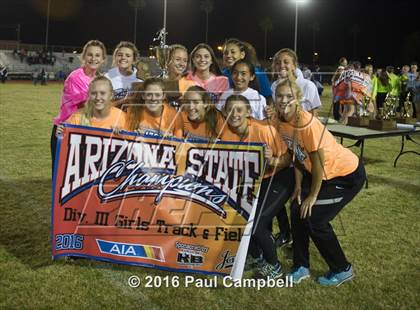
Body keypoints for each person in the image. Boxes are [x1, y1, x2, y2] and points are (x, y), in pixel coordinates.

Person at [273, 79, 366, 286]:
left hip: (345, 175)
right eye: (280, 96)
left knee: (314, 217)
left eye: (289, 96)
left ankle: (342, 268)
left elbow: (318, 166)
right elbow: (296, 154)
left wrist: (312, 196)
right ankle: (301, 266)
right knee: (297, 208)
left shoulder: (308, 124)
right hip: (316, 174)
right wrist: (298, 188)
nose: (284, 100)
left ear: (298, 99)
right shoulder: (279, 120)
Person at [220, 94, 292, 279]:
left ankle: (274, 266)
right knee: (238, 216)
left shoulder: (264, 130)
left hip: (279, 177)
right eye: (229, 110)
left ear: (249, 112)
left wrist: (272, 159)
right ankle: (257, 256)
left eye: (239, 110)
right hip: (253, 180)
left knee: (256, 224)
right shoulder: (225, 132)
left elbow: (288, 158)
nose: (234, 114)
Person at [51, 40, 107, 173]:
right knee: (63, 176)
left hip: (86, 133)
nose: (93, 58)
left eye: (97, 55)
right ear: (83, 57)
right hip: (66, 131)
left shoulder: (101, 79)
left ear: (103, 59)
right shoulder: (75, 77)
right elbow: (89, 105)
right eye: (90, 55)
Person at [56, 76, 127, 133]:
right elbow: (66, 145)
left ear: (111, 95)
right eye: (93, 93)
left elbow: (134, 144)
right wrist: (61, 133)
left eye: (102, 93)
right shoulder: (77, 117)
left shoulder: (122, 117)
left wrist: (123, 135)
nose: (98, 97)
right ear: (88, 95)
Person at [270, 48, 321, 114]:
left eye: (286, 62)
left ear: (294, 65)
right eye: (278, 63)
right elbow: (277, 110)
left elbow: (313, 116)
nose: (281, 66)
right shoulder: (274, 86)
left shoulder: (308, 86)